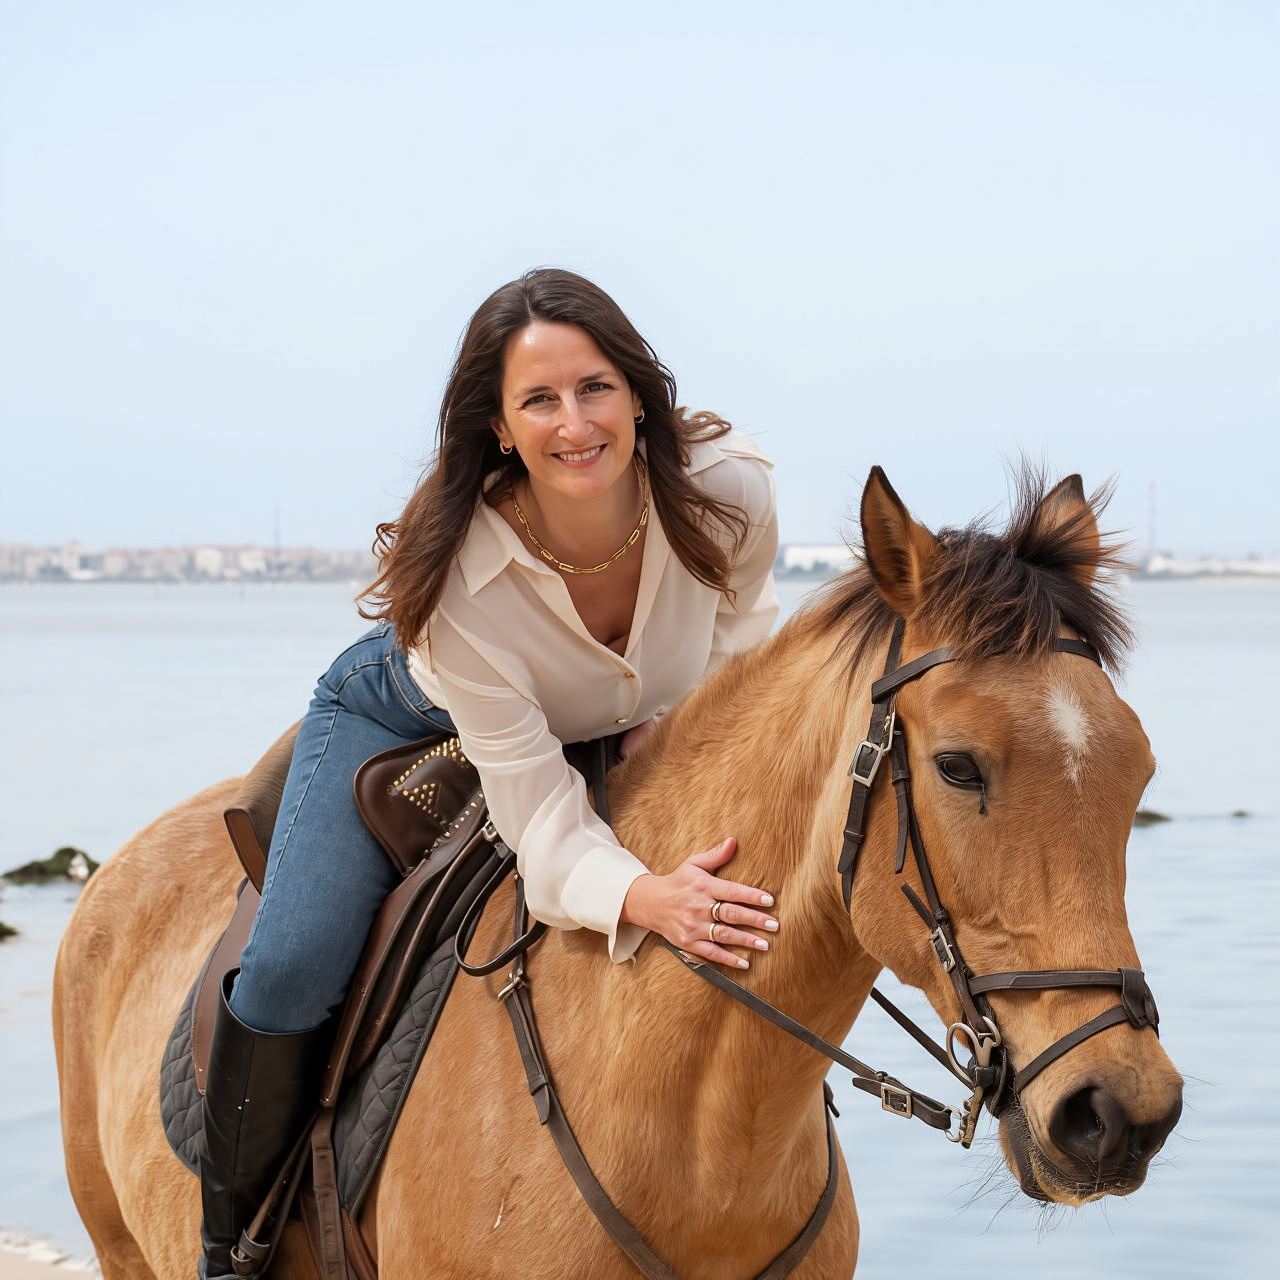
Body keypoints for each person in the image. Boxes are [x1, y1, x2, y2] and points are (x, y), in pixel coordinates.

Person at [197, 267, 783, 1279]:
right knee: (291, 965)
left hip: (610, 720)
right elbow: (538, 815)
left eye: (595, 388)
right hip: (415, 708)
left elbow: (739, 659)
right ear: (501, 429)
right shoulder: (464, 577)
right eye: (538, 400)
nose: (575, 423)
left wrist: (674, 737)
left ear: (638, 394)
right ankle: (230, 1249)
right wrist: (643, 895)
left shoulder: (730, 493)